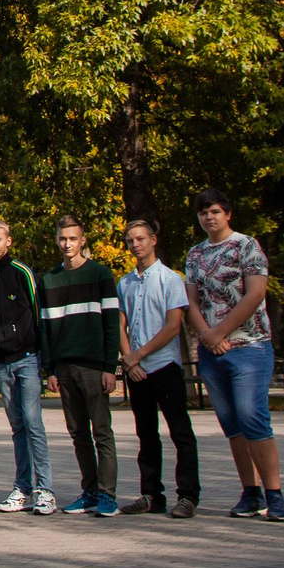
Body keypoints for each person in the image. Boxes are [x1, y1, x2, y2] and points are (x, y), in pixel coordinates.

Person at [184, 188, 284, 521]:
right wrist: (207, 336)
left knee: (252, 417)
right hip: (213, 351)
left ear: (227, 213)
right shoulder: (195, 255)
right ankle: (250, 492)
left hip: (249, 347)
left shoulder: (246, 246)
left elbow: (255, 294)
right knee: (232, 425)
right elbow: (192, 302)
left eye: (214, 211)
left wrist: (220, 332)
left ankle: (275, 494)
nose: (208, 217)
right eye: (203, 213)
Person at [117, 217, 201, 518]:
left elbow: (173, 326)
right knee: (146, 434)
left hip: (164, 366)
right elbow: (121, 324)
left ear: (153, 240)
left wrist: (138, 354)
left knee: (180, 431)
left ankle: (188, 495)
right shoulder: (124, 283)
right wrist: (129, 359)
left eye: (141, 239)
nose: (136, 245)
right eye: (130, 240)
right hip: (137, 371)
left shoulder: (171, 279)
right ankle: (151, 494)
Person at [42, 218, 123, 516]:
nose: (67, 244)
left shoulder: (100, 274)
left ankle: (107, 494)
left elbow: (111, 324)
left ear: (82, 240)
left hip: (93, 366)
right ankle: (89, 491)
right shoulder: (49, 279)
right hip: (64, 367)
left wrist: (109, 367)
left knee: (102, 430)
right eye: (62, 238)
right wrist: (49, 369)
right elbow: (46, 328)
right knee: (78, 433)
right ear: (57, 240)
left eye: (73, 238)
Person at [0, 220, 57, 514]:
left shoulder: (22, 273)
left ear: (8, 241)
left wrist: (43, 361)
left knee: (34, 424)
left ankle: (45, 489)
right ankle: (22, 487)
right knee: (17, 427)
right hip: (2, 363)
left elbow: (37, 315)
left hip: (27, 358)